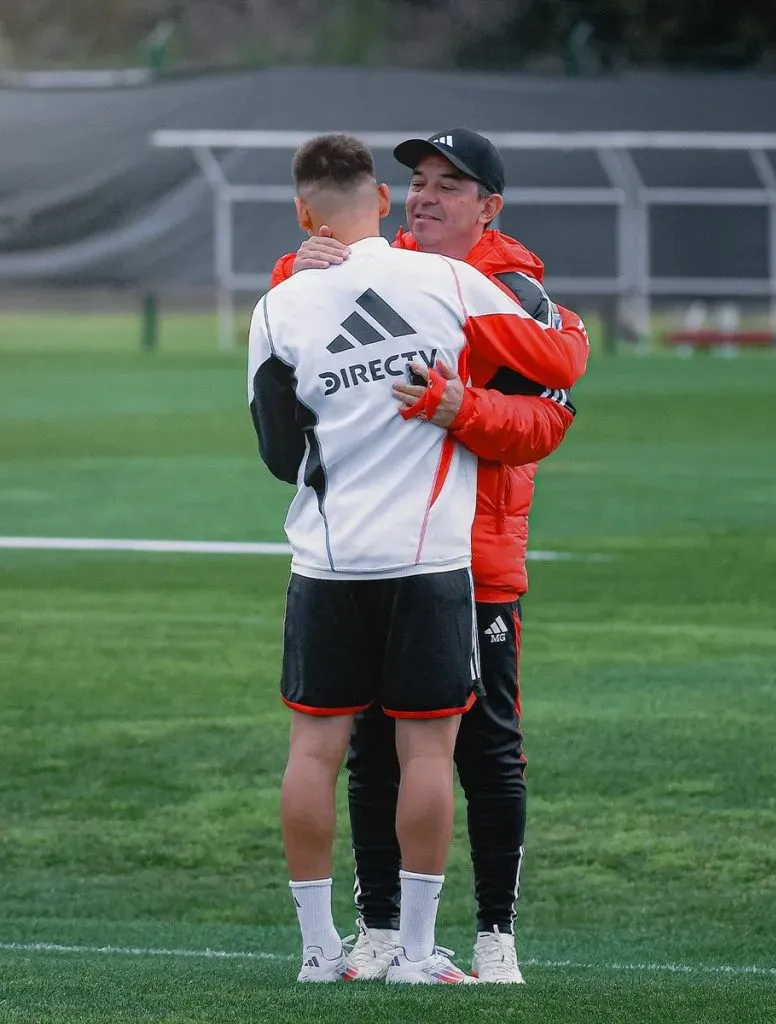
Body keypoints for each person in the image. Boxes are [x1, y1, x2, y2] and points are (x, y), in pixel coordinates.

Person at [249, 132, 583, 985]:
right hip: (405, 557)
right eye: (418, 183)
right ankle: (381, 932)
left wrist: (458, 407)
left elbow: (546, 417)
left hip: (467, 557)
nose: (428, 196)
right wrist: (305, 267)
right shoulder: (393, 269)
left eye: (449, 185)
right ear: (392, 200)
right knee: (372, 754)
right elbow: (317, 350)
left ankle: (494, 935)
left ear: (488, 207)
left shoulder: (504, 286)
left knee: (489, 753)